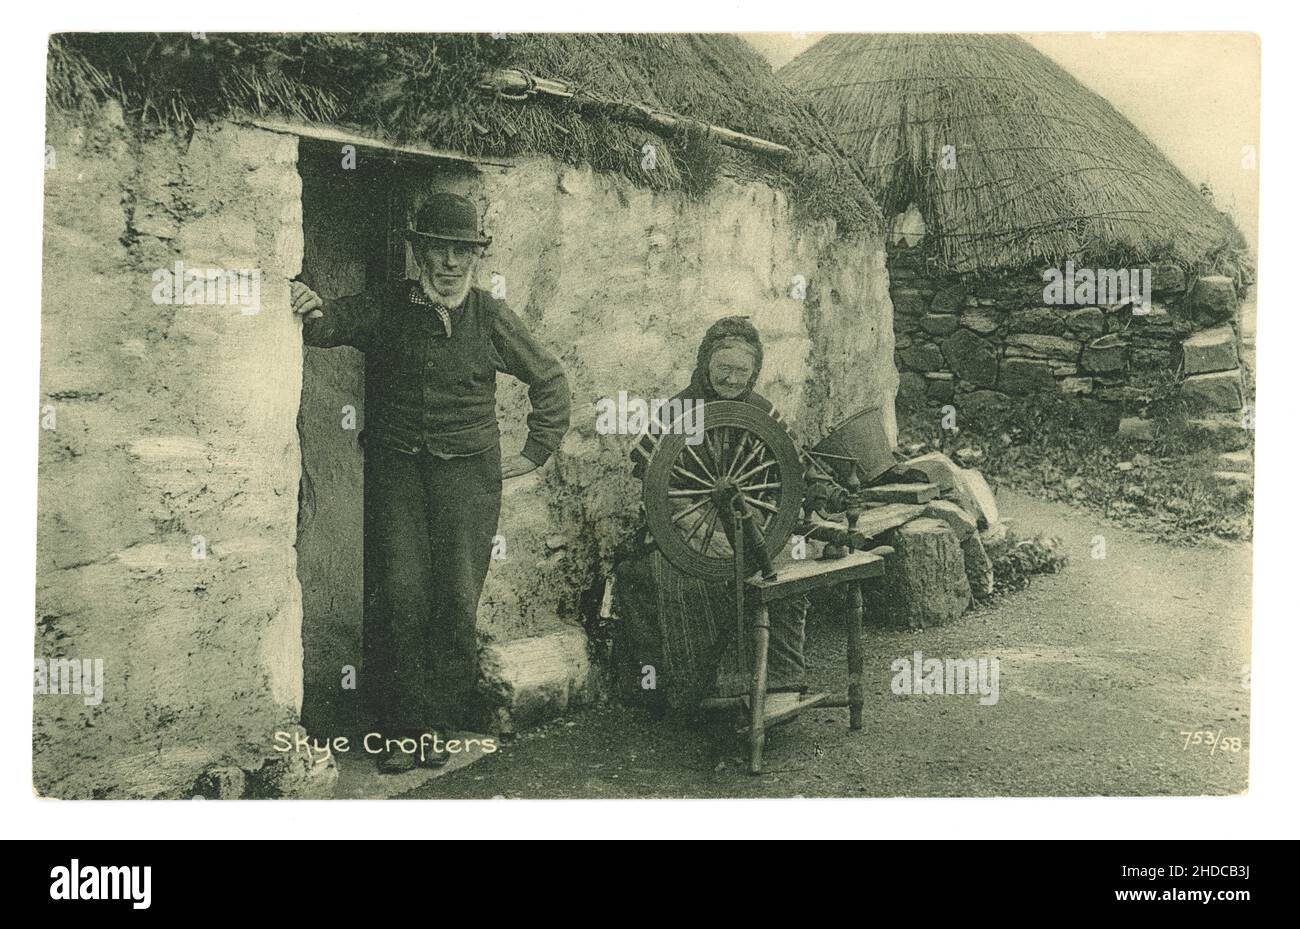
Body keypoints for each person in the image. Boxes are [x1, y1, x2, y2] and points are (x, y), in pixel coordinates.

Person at [289, 192, 570, 772]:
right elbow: (329, 324)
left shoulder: (490, 316)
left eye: (460, 252)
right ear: (418, 252)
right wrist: (308, 303)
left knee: (455, 597)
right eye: (438, 250)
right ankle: (399, 728)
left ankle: (439, 723)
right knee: (400, 594)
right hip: (398, 471)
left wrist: (535, 450)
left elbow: (549, 379)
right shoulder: (393, 303)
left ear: (475, 257)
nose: (449, 264)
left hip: (469, 477)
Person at [614, 316, 840, 714]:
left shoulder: (761, 411)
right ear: (705, 365)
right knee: (694, 582)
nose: (732, 379)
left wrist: (821, 497)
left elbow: (792, 467)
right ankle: (707, 693)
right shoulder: (676, 412)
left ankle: (778, 685)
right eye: (723, 369)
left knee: (782, 577)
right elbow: (659, 492)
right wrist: (712, 535)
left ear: (754, 373)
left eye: (742, 371)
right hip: (683, 529)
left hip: (752, 527)